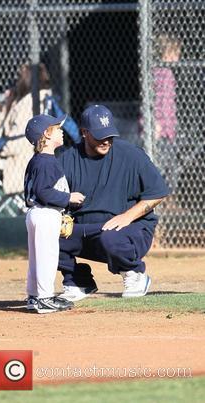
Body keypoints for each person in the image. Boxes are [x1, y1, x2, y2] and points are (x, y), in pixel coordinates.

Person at [56, 104, 170, 301]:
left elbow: (158, 192)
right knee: (43, 233)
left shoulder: (130, 154)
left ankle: (134, 273)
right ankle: (78, 281)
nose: (106, 141)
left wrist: (128, 216)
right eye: (100, 135)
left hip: (128, 230)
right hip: (85, 229)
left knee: (111, 237)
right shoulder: (68, 160)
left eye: (109, 135)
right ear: (84, 133)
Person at [24, 113, 85, 313]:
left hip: (36, 213)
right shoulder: (46, 161)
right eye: (57, 128)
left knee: (36, 258)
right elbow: (44, 191)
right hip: (46, 214)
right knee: (47, 257)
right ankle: (45, 298)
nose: (61, 131)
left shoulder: (37, 159)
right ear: (46, 135)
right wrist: (68, 198)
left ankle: (34, 296)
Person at [0, 63, 53, 195]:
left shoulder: (27, 103)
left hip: (18, 160)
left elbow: (16, 142)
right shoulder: (46, 98)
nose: (17, 82)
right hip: (32, 157)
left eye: (19, 77)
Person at [153, 34, 181, 192]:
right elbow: (159, 102)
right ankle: (163, 198)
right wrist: (157, 123)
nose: (178, 57)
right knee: (162, 166)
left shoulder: (165, 72)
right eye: (176, 53)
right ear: (167, 54)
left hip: (168, 129)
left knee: (170, 164)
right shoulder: (162, 74)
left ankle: (168, 196)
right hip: (161, 129)